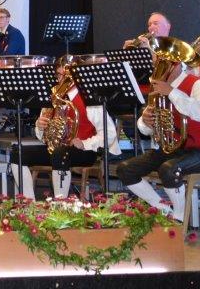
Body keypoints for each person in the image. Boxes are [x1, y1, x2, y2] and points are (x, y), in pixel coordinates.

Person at [115, 52, 200, 220]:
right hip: (172, 149)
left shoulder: (198, 85)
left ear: (176, 64)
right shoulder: (157, 91)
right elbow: (146, 131)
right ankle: (164, 210)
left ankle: (180, 218)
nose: (157, 69)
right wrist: (145, 121)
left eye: (162, 64)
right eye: (156, 64)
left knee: (169, 169)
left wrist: (172, 92)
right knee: (125, 169)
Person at [7, 55, 120, 199]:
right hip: (57, 150)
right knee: (17, 154)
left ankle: (61, 203)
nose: (61, 80)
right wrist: (40, 126)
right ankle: (29, 202)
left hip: (85, 151)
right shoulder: (54, 95)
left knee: (60, 153)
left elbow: (109, 134)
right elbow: (43, 137)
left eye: (66, 76)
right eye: (59, 75)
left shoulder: (89, 97)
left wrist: (85, 143)